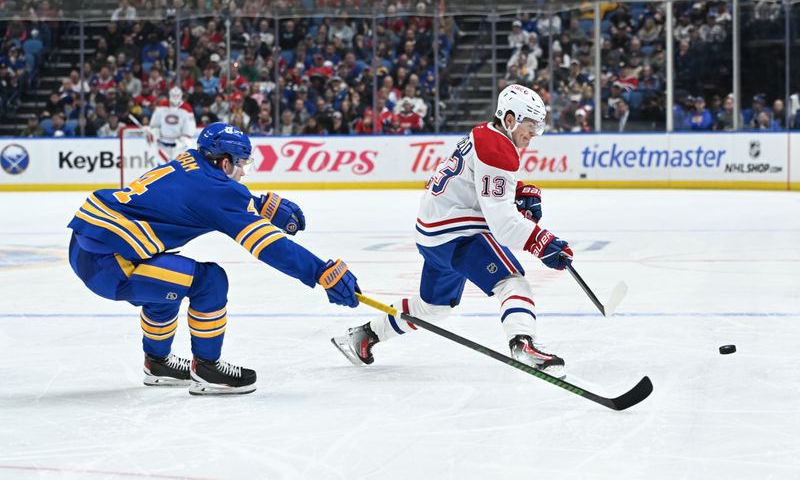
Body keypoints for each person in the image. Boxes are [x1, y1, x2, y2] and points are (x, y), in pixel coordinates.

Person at [67, 123, 360, 395]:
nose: (244, 172)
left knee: (169, 284)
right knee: (209, 282)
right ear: (224, 162)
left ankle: (158, 363)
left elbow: (198, 193)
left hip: (89, 244)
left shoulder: (191, 159)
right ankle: (208, 369)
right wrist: (320, 272)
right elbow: (268, 245)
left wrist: (256, 204)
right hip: (112, 263)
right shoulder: (219, 191)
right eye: (242, 164)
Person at [331, 84, 573, 376]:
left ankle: (364, 335)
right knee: (512, 282)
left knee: (434, 307)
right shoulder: (499, 148)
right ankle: (523, 344)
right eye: (530, 125)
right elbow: (504, 224)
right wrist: (542, 242)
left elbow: (476, 183)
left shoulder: (484, 133)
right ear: (509, 119)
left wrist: (518, 191)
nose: (534, 133)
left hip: (432, 234)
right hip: (458, 233)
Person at [147, 87, 197, 162]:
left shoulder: (187, 108)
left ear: (181, 96)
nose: (175, 97)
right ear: (169, 95)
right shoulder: (162, 105)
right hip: (162, 143)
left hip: (178, 145)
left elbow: (190, 127)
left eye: (177, 95)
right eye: (173, 95)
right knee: (160, 166)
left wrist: (185, 137)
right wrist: (153, 131)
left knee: (178, 167)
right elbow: (155, 123)